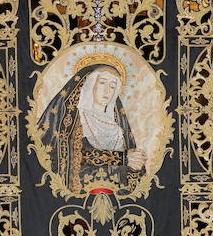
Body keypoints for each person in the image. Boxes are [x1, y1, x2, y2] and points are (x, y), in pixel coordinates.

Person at [35, 56, 148, 195]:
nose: (107, 91)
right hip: (81, 193)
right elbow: (65, 156)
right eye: (102, 83)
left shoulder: (118, 124)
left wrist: (136, 165)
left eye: (113, 86)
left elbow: (129, 167)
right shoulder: (72, 118)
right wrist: (122, 158)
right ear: (90, 84)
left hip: (116, 196)